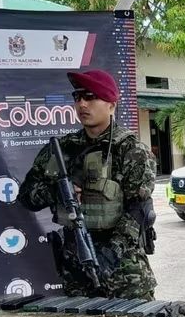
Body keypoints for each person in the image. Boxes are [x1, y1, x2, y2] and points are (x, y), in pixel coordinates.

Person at [18, 69, 158, 299]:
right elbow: (26, 196)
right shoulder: (61, 149)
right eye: (78, 97)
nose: (82, 104)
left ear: (111, 104)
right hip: (76, 273)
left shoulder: (131, 150)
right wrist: (57, 192)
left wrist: (110, 254)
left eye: (91, 97)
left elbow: (139, 210)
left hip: (125, 275)